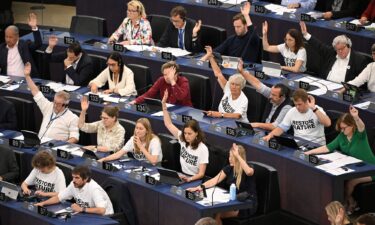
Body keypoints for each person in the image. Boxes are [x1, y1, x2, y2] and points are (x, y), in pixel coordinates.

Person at [305, 106, 375, 214]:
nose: (342, 130)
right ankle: (351, 202)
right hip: (355, 167)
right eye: (341, 128)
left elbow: (362, 126)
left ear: (352, 126)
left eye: (344, 128)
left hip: (370, 168)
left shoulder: (360, 135)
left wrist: (356, 117)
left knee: (350, 182)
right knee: (339, 180)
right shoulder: (342, 136)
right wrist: (310, 152)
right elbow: (328, 147)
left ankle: (345, 204)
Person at [188, 144, 257, 225]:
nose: (230, 159)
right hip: (232, 201)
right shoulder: (229, 168)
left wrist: (238, 156)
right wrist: (199, 188)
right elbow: (214, 181)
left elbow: (249, 172)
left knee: (217, 214)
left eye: (232, 157)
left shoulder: (249, 168)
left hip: (246, 204)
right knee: (213, 212)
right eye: (229, 156)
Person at [24, 63, 79, 143]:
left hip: (54, 148)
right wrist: (27, 76)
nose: (55, 105)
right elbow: (35, 92)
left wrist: (61, 146)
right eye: (54, 102)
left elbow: (74, 138)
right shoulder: (48, 106)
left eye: (58, 104)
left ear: (66, 105)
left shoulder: (72, 118)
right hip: (39, 144)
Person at [300, 21, 371, 84]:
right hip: (326, 85)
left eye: (342, 49)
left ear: (349, 46)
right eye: (337, 49)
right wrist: (306, 35)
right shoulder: (332, 53)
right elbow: (319, 46)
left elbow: (361, 81)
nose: (340, 51)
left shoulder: (358, 60)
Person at [162, 90, 208, 181]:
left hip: (195, 179)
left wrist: (190, 179)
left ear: (196, 133)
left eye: (189, 134)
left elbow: (201, 174)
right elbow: (168, 124)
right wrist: (164, 105)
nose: (186, 136)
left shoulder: (203, 149)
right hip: (182, 175)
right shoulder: (182, 139)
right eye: (185, 133)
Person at [35, 165, 114, 215]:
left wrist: (81, 209)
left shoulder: (94, 189)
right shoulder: (74, 184)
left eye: (77, 178)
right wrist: (43, 203)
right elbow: (59, 197)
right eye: (73, 177)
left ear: (85, 179)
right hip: (87, 213)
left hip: (105, 218)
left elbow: (101, 210)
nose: (73, 180)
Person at [237, 60, 292, 131]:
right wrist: (242, 72)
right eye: (271, 93)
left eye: (274, 95)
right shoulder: (272, 93)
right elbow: (257, 83)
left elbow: (274, 126)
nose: (270, 96)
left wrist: (256, 124)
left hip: (275, 134)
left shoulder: (287, 107)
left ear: (282, 97)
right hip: (264, 128)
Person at [263, 89, 331, 145]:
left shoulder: (317, 110)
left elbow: (328, 123)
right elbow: (281, 128)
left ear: (306, 102)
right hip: (298, 143)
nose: (297, 107)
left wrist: (314, 109)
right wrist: (270, 135)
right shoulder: (292, 111)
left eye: (300, 104)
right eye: (295, 104)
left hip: (316, 144)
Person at [204, 46, 249, 122]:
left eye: (237, 85)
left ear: (241, 86)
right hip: (221, 121)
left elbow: (237, 115)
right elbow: (218, 73)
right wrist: (211, 57)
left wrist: (220, 114)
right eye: (232, 84)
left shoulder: (243, 99)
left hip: (237, 125)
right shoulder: (228, 87)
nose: (233, 87)